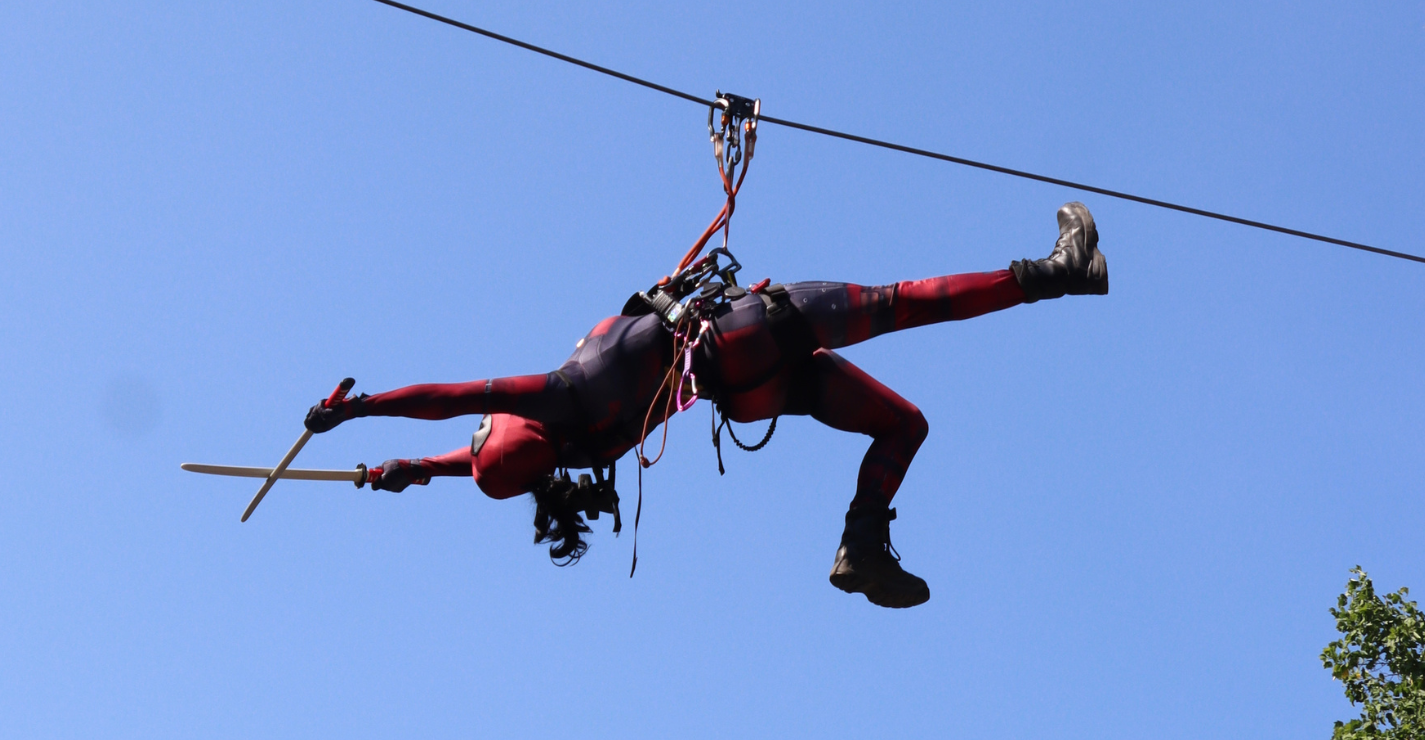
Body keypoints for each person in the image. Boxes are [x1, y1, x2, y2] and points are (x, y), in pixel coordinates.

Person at [305, 202, 1109, 608]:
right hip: (743, 340)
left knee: (905, 424)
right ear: (515, 427)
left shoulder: (575, 453)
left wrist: (400, 470)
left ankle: (861, 547)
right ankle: (1056, 272)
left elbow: (472, 460)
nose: (486, 426)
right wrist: (364, 409)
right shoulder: (555, 396)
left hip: (743, 394)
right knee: (901, 304)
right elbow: (454, 399)